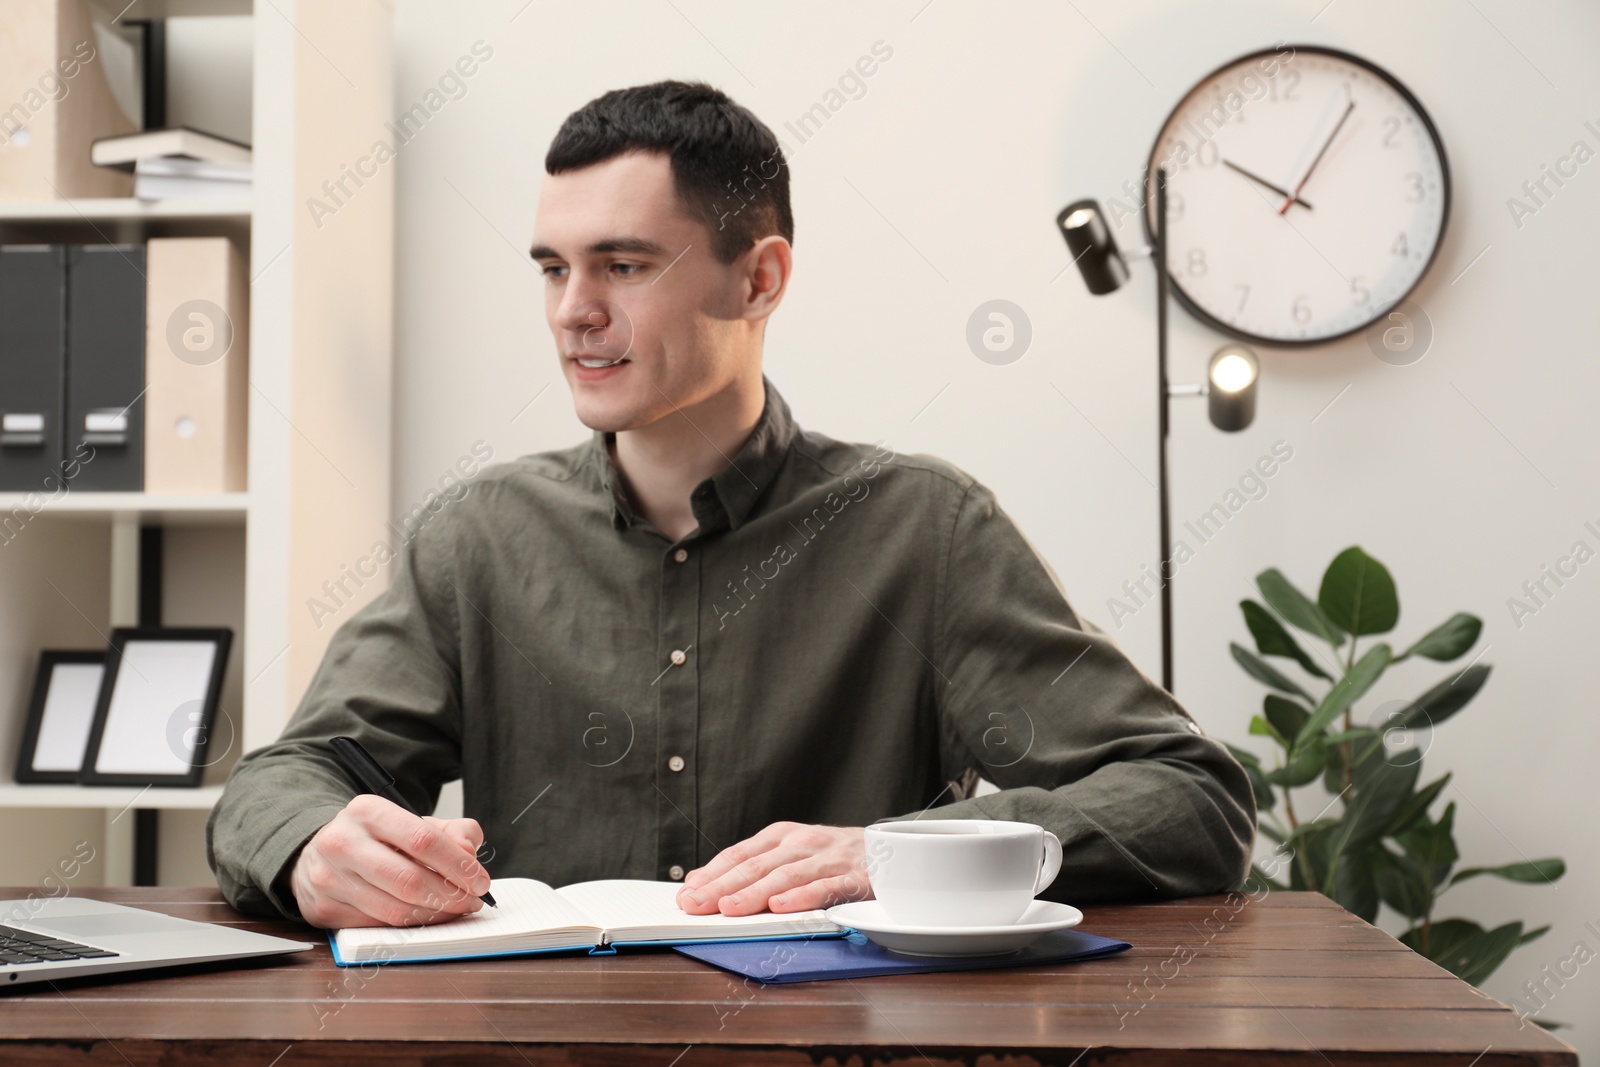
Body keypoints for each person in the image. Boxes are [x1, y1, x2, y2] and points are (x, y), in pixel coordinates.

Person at [206, 79, 1255, 929]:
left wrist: (899, 855)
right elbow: (281, 781)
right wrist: (311, 848)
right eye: (553, 268)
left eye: (622, 264)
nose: (574, 312)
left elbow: (1191, 799)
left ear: (758, 281)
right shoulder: (477, 537)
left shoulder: (923, 531)